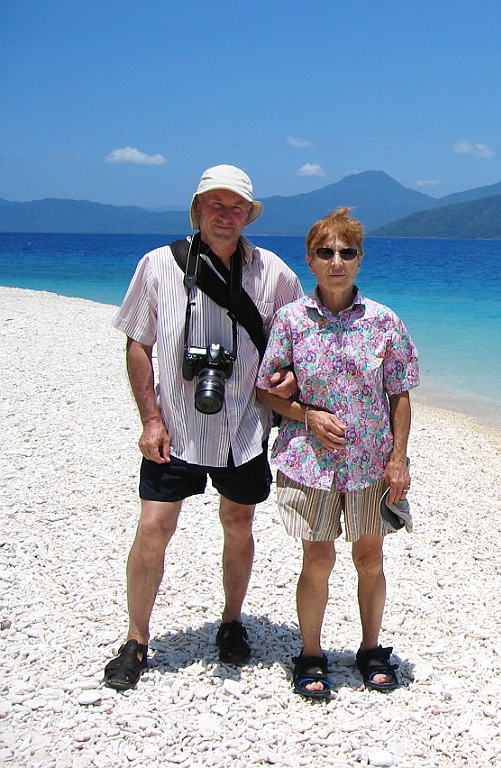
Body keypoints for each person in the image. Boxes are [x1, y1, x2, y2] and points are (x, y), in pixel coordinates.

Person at [103, 165, 303, 690]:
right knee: (153, 529)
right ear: (196, 210)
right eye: (214, 204)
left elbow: (296, 346)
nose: (225, 214)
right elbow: (137, 345)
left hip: (244, 430)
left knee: (239, 525)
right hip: (174, 427)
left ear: (248, 215)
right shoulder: (157, 266)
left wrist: (286, 381)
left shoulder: (274, 273)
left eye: (235, 206)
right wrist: (149, 420)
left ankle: (232, 622)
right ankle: (136, 639)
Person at [255, 207, 419, 698]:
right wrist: (307, 414)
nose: (337, 261)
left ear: (360, 259)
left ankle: (371, 650)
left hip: (371, 463)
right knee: (318, 560)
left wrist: (399, 460)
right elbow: (266, 389)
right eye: (326, 252)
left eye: (347, 252)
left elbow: (401, 394)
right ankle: (310, 655)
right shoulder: (290, 320)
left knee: (370, 558)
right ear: (310, 260)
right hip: (309, 463)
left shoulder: (384, 321)